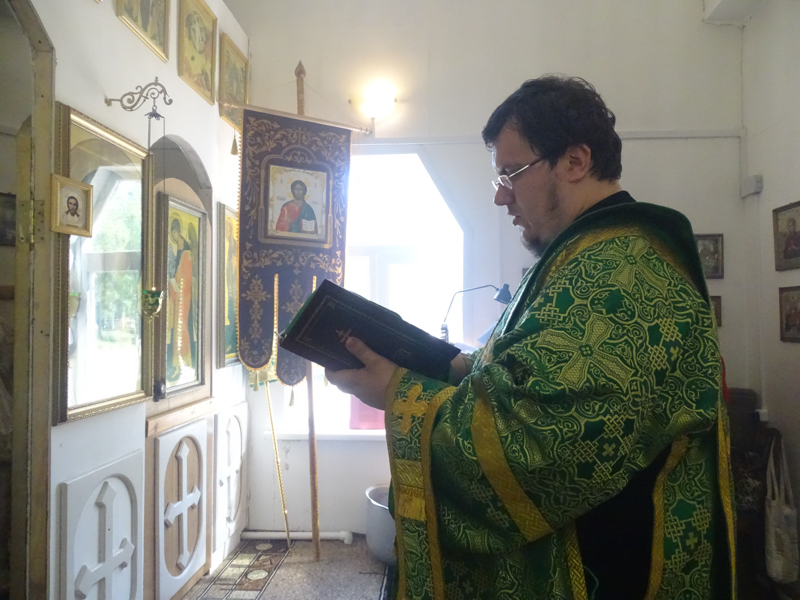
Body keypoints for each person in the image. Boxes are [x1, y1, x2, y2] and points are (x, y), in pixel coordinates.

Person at [327, 75, 735, 599]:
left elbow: (537, 445)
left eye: (511, 173)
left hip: (610, 567)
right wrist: (445, 363)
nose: (501, 196)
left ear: (575, 162)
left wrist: (396, 392)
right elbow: (525, 369)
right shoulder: (580, 258)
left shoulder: (622, 272)